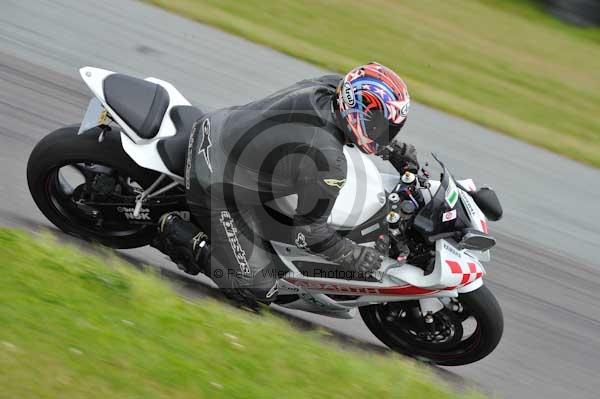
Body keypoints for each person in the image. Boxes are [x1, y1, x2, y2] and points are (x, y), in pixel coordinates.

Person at [156, 62, 419, 306]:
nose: (384, 134)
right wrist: (356, 256)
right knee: (259, 288)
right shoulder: (327, 160)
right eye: (382, 126)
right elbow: (308, 235)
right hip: (213, 182)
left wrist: (393, 150)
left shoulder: (330, 88)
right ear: (360, 112)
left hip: (216, 126)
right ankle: (179, 234)